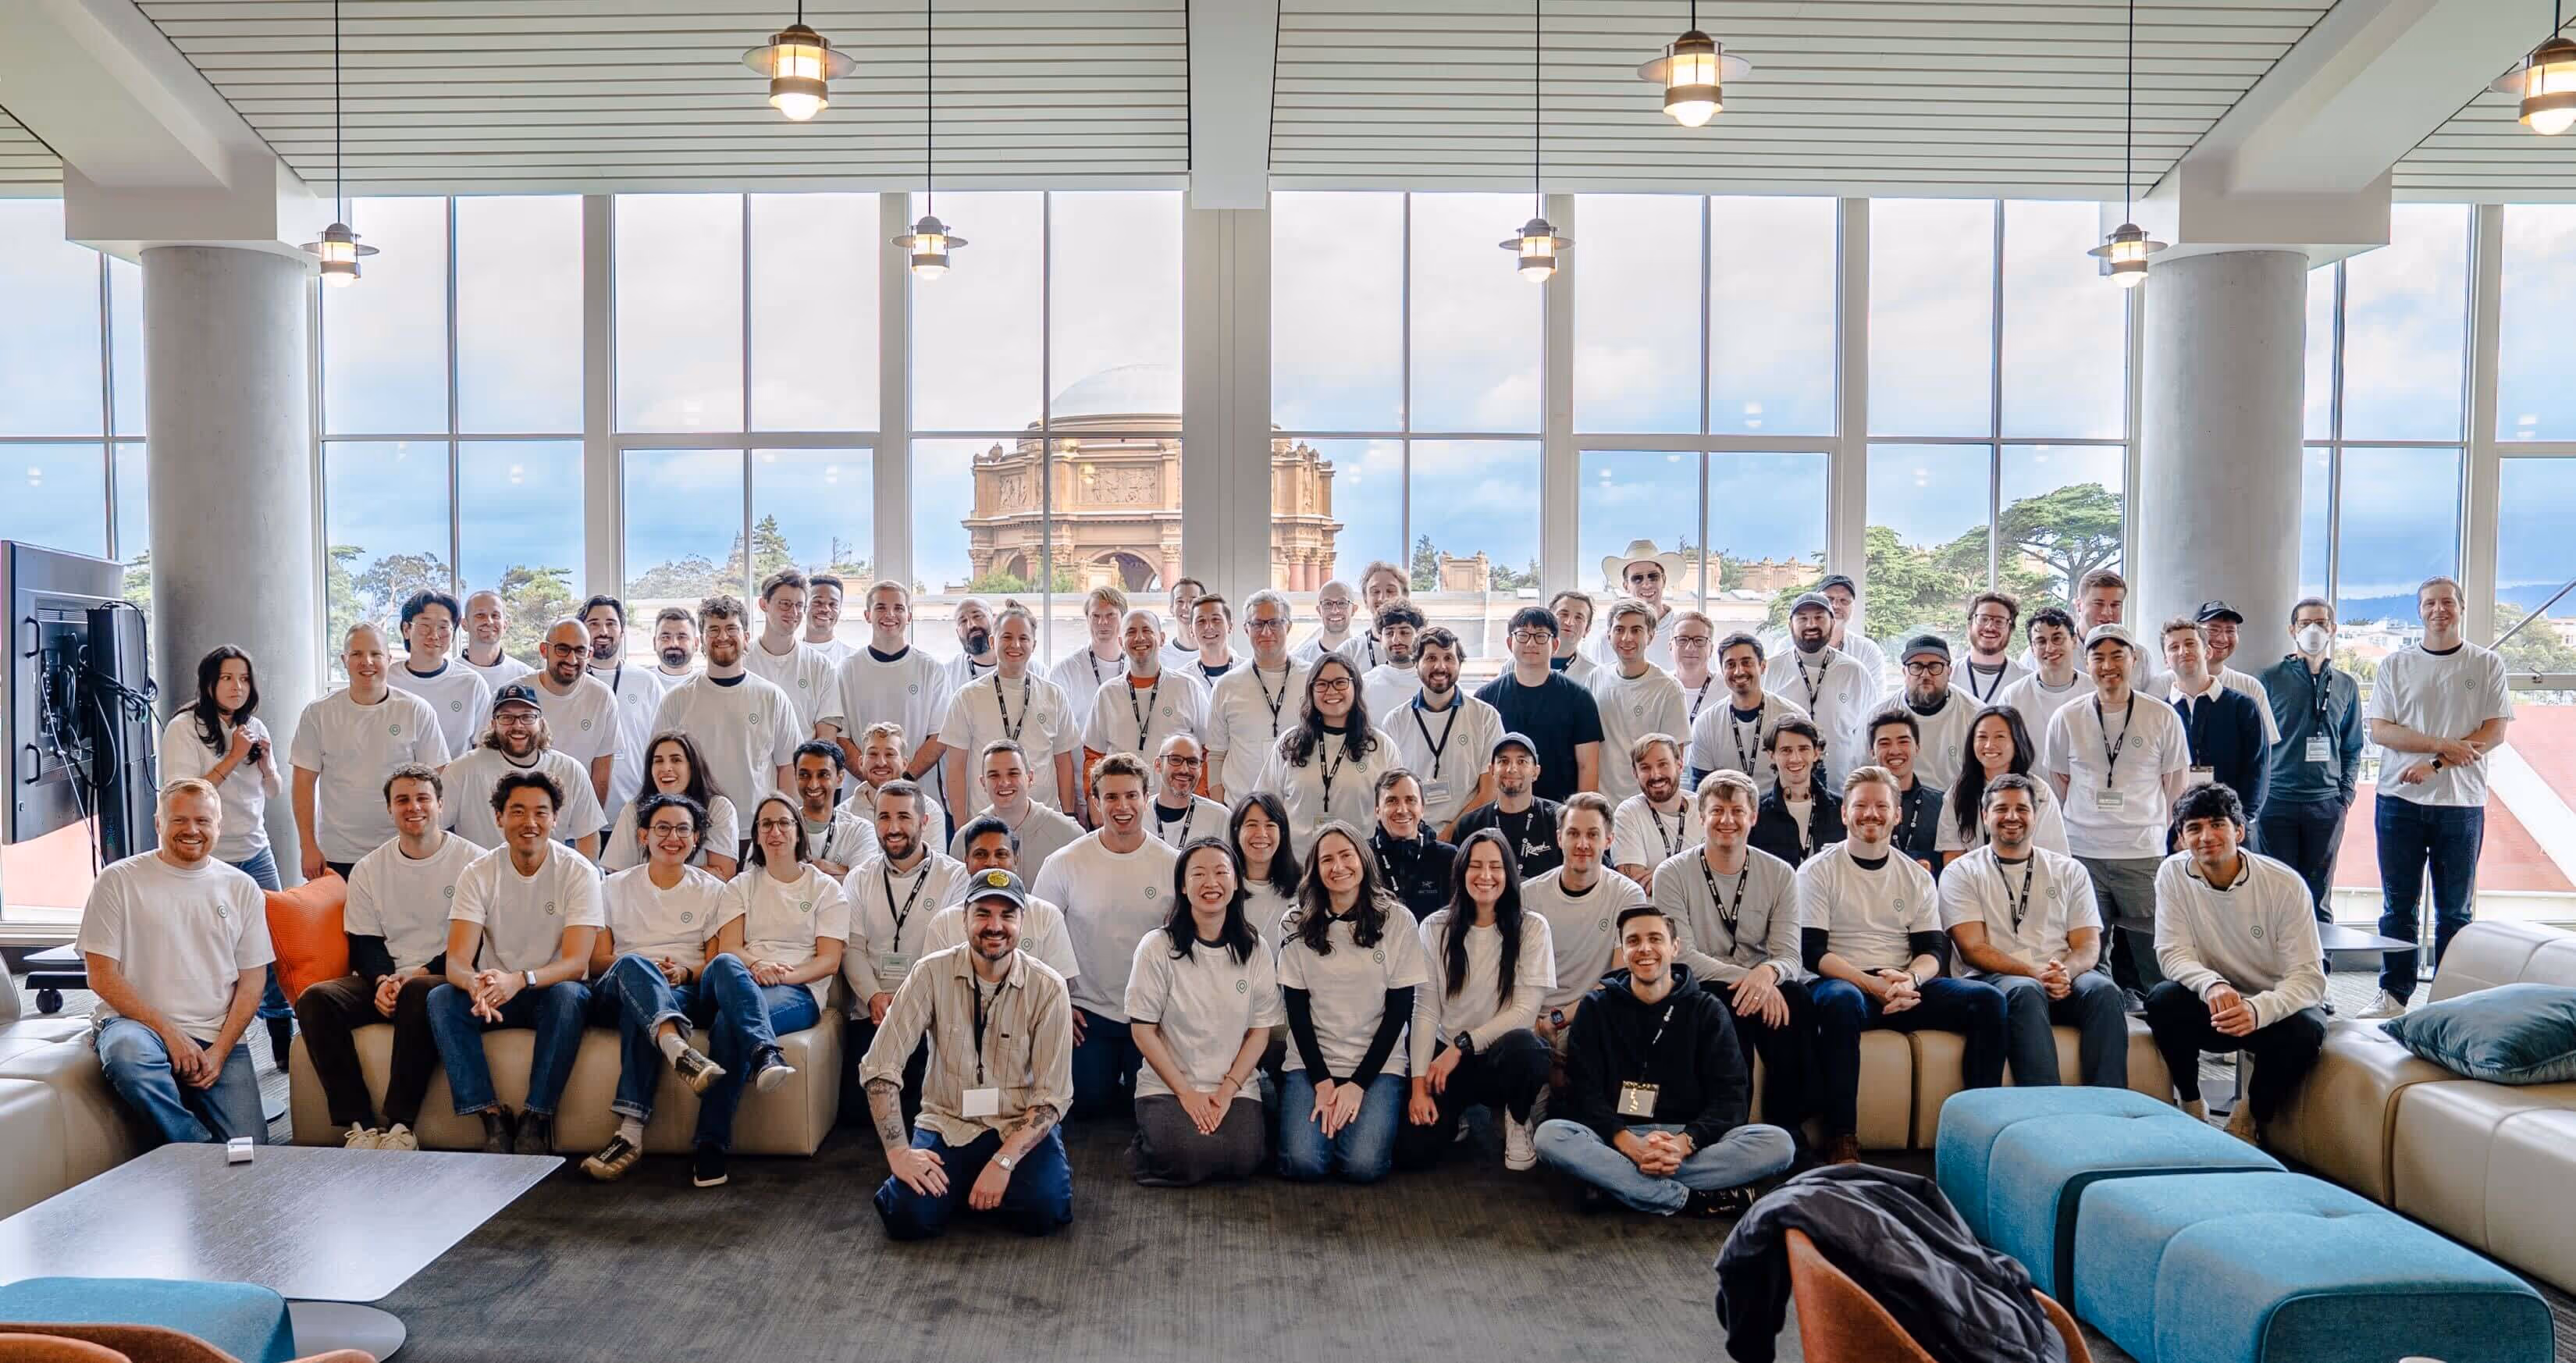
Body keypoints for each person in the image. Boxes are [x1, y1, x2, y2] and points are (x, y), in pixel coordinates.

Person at [1532, 902, 1797, 1216]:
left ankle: (1618, 1187)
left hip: (1689, 1141)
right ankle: (1693, 1200)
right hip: (1616, 1138)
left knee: (1779, 1144)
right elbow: (1584, 1093)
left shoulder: (1707, 1010)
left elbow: (1731, 1098)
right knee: (1550, 1136)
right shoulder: (1596, 1008)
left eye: (1655, 939)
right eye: (1633, 941)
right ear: (1624, 951)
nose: (1645, 949)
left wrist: (1683, 1144)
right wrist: (1630, 1145)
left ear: (1675, 948)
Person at [1802, 765, 2007, 1165]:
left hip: (1902, 983)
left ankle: (1979, 1131)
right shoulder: (1817, 871)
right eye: (1861, 806)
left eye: (1882, 806)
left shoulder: (1915, 875)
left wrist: (1910, 979)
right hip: (1844, 982)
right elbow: (1813, 952)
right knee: (1841, 1002)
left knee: (1987, 1001)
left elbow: (1933, 950)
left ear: (1897, 814)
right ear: (1844, 813)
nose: (1871, 814)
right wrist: (1871, 985)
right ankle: (1842, 1137)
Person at [865, 870, 1074, 1240]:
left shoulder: (1049, 987)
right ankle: (966, 1189)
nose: (995, 926)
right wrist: (899, 1154)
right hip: (949, 1121)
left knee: (1045, 1210)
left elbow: (1051, 1099)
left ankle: (969, 1188)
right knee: (907, 1216)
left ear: (1022, 922)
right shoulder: (930, 973)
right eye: (983, 914)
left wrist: (1003, 1162)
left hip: (1016, 1123)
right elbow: (881, 1068)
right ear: (964, 918)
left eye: (1007, 915)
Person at [78, 780, 273, 1147]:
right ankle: (194, 1146)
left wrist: (220, 1052)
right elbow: (101, 976)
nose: (192, 830)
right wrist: (172, 1035)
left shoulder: (242, 887)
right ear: (158, 823)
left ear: (219, 825)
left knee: (251, 1148)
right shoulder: (118, 880)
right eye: (179, 820)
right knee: (126, 1054)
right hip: (137, 1026)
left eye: (203, 821)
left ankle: (184, 1143)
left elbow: (252, 982)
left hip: (215, 1033)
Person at [2360, 575, 2514, 1019]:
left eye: (2447, 602)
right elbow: (2381, 730)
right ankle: (2393, 995)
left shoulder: (2486, 664)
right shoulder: (2396, 664)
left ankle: (2448, 1001)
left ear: (2461, 607)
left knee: (2456, 912)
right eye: (2429, 603)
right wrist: (2442, 745)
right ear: (2419, 610)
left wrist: (2437, 764)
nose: (2438, 610)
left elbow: (2494, 732)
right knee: (2398, 906)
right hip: (2399, 801)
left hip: (2461, 805)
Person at [296, 763, 471, 1151]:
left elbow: (474, 942)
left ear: (441, 804)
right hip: (388, 977)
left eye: (423, 798)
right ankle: (358, 1124)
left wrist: (419, 973)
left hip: (447, 977)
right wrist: (381, 982)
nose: (414, 807)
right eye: (402, 800)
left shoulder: (473, 863)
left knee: (417, 992)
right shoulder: (368, 868)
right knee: (316, 999)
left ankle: (401, 1126)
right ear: (390, 809)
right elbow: (364, 941)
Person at [425, 770, 601, 1155]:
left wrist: (520, 980)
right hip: (496, 994)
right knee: (441, 998)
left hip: (550, 992)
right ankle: (490, 1115)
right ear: (499, 817)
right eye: (518, 811)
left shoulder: (579, 872)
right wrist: (474, 983)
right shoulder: (478, 873)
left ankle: (536, 1117)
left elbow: (576, 963)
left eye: (541, 812)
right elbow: (457, 961)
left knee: (570, 995)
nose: (530, 822)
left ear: (555, 818)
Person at [2148, 783, 2328, 1144]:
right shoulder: (2172, 874)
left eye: (2218, 824)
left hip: (2271, 1009)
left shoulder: (2284, 884)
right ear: (2181, 839)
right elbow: (2172, 952)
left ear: (2240, 832)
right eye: (2194, 828)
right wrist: (2211, 984)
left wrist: (2258, 1010)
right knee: (2162, 1000)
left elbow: (2309, 978)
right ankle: (2191, 1103)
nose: (2206, 837)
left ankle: (2249, 1116)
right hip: (2214, 1004)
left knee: (2308, 1028)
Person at [578, 791, 731, 1182]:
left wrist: (683, 971)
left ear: (696, 838)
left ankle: (629, 1134)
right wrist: (645, 967)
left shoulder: (713, 890)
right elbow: (597, 961)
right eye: (662, 828)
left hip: (681, 991)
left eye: (683, 830)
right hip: (616, 986)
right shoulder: (612, 886)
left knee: (644, 1011)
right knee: (634, 965)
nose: (672, 838)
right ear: (643, 836)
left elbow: (714, 963)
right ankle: (678, 1049)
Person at [702, 793, 851, 1187]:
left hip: (797, 991)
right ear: (756, 835)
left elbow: (829, 961)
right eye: (766, 824)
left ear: (798, 832)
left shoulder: (825, 889)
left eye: (784, 822)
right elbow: (730, 948)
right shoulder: (740, 885)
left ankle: (710, 1145)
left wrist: (781, 976)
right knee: (724, 963)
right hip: (741, 978)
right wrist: (757, 967)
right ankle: (765, 1053)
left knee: (726, 1026)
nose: (775, 831)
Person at [1940, 776, 2125, 1089]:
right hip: (1995, 978)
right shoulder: (1962, 871)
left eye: (2022, 809)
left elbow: (2088, 945)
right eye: (2002, 809)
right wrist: (2034, 973)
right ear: (1985, 816)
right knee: (2025, 990)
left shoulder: (2069, 870)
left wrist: (2064, 972)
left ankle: (2110, 1101)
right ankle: (2046, 1106)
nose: (2012, 817)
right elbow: (1973, 949)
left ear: (2036, 816)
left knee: (2104, 991)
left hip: (2061, 976)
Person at [1655, 771, 1809, 1133]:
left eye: (1737, 811)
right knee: (1722, 1003)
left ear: (1753, 817)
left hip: (1763, 983)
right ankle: (1728, 1131)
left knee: (1798, 1000)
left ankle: (1788, 1131)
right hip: (1703, 983)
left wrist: (1767, 975)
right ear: (1701, 817)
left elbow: (1789, 955)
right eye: (1717, 811)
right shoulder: (1671, 873)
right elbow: (1682, 956)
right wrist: (1752, 979)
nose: (1727, 820)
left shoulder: (1781, 874)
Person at [2044, 624, 2193, 999]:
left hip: (2142, 852)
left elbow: (2175, 784)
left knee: (2153, 950)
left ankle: (2164, 1021)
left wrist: (2156, 827)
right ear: (2086, 662)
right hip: (2083, 853)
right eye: (2098, 658)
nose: (2107, 666)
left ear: (2134, 659)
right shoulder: (2067, 717)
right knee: (2088, 950)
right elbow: (2060, 780)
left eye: (2117, 656)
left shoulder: (2162, 716)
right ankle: (2102, 1015)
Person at [1276, 820, 1429, 1183]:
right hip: (1312, 1062)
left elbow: (1399, 1012)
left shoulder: (1398, 920)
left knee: (1363, 1166)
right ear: (1315, 869)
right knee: (1304, 1163)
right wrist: (1322, 1082)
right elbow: (1297, 1012)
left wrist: (1358, 1084)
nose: (1338, 866)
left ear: (1364, 860)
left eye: (1347, 856)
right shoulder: (1294, 922)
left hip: (1377, 1065)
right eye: (1327, 860)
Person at [1031, 753, 1181, 1116]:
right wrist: (1059, 1003)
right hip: (1089, 1012)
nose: (1122, 806)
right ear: (1095, 802)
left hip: (1153, 1013)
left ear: (1147, 799)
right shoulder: (1064, 862)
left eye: (1131, 796)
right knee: (1087, 1103)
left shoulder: (1173, 864)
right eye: (1111, 797)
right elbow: (1036, 937)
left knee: (1146, 1105)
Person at [1126, 840, 1281, 1186]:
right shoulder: (1157, 947)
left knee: (1244, 1158)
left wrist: (1227, 1092)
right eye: (1198, 874)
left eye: (1221, 872)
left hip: (1233, 1084)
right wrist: (1186, 1093)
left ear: (1236, 882)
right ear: (1183, 886)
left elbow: (1260, 1032)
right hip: (1169, 1084)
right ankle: (1146, 1144)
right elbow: (1142, 1030)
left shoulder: (1255, 948)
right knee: (1189, 1155)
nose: (1211, 883)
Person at [1398, 829, 1555, 1172]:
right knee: (1412, 1152)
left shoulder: (1532, 928)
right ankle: (1457, 1114)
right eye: (1475, 866)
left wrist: (1462, 1046)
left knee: (1529, 1050)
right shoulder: (1434, 928)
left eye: (1495, 867)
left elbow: (1525, 1012)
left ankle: (1517, 1116)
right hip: (1447, 1062)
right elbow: (1425, 1010)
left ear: (1509, 874)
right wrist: (1419, 1087)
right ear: (1461, 872)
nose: (1485, 876)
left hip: (1500, 1055)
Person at [162, 646, 290, 1059]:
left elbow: (274, 790)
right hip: (206, 856)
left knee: (273, 942)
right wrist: (234, 756)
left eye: (244, 679)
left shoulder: (255, 726)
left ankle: (281, 1033)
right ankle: (209, 1033)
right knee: (210, 946)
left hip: (255, 848)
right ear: (208, 684)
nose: (237, 687)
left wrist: (266, 764)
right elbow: (183, 797)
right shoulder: (184, 728)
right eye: (227, 678)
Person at [293, 623, 452, 881]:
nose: (367, 662)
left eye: (376, 654)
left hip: (403, 846)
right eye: (356, 654)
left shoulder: (416, 710)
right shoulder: (318, 713)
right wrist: (307, 845)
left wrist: (430, 840)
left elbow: (437, 780)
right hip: (337, 851)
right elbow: (303, 782)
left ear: (389, 659)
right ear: (344, 660)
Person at [649, 595, 799, 846]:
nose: (722, 636)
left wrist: (784, 827)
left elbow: (788, 768)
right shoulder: (676, 700)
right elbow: (659, 771)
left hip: (757, 832)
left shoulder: (772, 697)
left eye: (731, 628)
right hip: (695, 832)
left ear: (746, 637)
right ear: (702, 641)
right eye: (713, 630)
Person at [2255, 597, 2364, 938]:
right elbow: (2255, 743)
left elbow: (2352, 745)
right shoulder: (2269, 679)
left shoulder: (2345, 684)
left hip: (2326, 804)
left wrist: (2344, 796)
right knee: (2277, 894)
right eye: (2305, 624)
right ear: (2292, 630)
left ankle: (2320, 967)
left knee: (2319, 897)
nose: (2313, 630)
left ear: (2333, 629)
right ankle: (2276, 968)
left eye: (2321, 623)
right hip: (2277, 801)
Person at [1523, 792, 1646, 1083]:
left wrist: (1559, 1020)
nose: (1582, 844)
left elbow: (1618, 981)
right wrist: (1538, 1025)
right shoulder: (1529, 895)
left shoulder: (1628, 895)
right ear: (1559, 838)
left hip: (1593, 1015)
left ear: (1609, 840)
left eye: (1593, 834)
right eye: (1573, 833)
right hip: (1533, 1022)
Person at [844, 780, 970, 1027]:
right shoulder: (859, 878)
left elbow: (954, 954)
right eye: (884, 817)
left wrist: (913, 1002)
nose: (893, 828)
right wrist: (874, 996)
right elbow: (852, 948)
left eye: (903, 817)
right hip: (871, 1013)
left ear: (924, 822)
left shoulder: (956, 878)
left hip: (932, 1016)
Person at [940, 601, 1080, 817]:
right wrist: (962, 828)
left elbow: (1063, 763)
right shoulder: (967, 697)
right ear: (993, 641)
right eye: (1007, 637)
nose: (1015, 645)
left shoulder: (1054, 695)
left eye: (1023, 638)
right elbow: (956, 768)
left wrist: (1068, 816)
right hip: (986, 822)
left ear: (1033, 645)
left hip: (1043, 820)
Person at [833, 579, 955, 817]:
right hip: (860, 801)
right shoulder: (846, 670)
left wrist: (904, 779)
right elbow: (840, 736)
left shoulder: (931, 669)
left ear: (909, 615)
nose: (890, 614)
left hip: (917, 797)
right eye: (880, 607)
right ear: (867, 615)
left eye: (898, 608)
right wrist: (873, 779)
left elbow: (940, 736)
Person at [439, 682, 607, 856]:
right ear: (493, 724)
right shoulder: (462, 769)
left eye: (527, 717)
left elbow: (588, 835)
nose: (518, 726)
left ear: (541, 723)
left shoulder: (571, 770)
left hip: (550, 871)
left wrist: (585, 872)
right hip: (481, 872)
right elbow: (434, 827)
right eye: (506, 717)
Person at [1259, 653, 1402, 856]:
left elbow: (1396, 808)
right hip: (1299, 862)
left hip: (1358, 863)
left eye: (1340, 682)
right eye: (1322, 684)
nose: (1331, 691)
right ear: (1311, 691)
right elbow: (1266, 806)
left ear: (1356, 686)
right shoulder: (1290, 743)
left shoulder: (1381, 746)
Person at [923, 815, 1082, 984]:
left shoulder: (1046, 916)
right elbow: (933, 985)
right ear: (967, 862)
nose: (991, 862)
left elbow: (1060, 986)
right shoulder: (944, 922)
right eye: (981, 854)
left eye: (1001, 854)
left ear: (1016, 860)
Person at [1477, 605, 1606, 802]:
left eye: (1540, 636)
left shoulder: (1580, 698)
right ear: (1510, 643)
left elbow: (1587, 767)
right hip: (1501, 809)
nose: (1531, 643)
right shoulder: (1486, 698)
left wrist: (1581, 815)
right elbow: (1481, 766)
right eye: (1522, 635)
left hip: (1561, 811)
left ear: (1555, 645)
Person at [1383, 627, 1501, 840]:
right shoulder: (1395, 721)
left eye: (1448, 658)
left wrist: (1448, 835)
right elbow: (1390, 792)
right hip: (1411, 837)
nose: (1440, 666)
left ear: (1459, 664)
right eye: (1431, 658)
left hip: (1468, 836)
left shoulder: (1485, 717)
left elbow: (1490, 792)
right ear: (1416, 663)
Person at [2163, 616, 2271, 838]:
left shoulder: (2243, 706)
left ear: (2207, 651)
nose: (2183, 651)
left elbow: (2257, 769)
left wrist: (2240, 823)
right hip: (2176, 833)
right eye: (2174, 647)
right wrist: (2173, 831)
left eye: (2190, 643)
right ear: (2166, 660)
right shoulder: (2160, 713)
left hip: (2232, 830)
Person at [1082, 608, 1208, 789]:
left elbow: (1208, 749)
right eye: (1131, 632)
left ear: (1162, 639)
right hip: (1123, 799)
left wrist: (1200, 795)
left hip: (1178, 798)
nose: (1139, 638)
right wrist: (1093, 799)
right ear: (1121, 642)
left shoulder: (1188, 688)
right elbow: (1093, 755)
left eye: (1147, 630)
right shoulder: (1107, 694)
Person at [1205, 589, 1311, 803]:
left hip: (1298, 807)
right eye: (1257, 624)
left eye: (1275, 623)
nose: (1266, 631)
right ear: (1246, 629)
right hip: (1241, 807)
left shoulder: (1312, 680)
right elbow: (1216, 754)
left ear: (1288, 626)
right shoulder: (1227, 685)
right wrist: (1220, 806)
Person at [1585, 600, 1690, 806]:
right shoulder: (1596, 677)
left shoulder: (1669, 688)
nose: (1627, 638)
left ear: (1650, 636)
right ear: (1609, 635)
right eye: (1619, 630)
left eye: (1636, 630)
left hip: (1646, 805)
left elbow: (1674, 761)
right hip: (1601, 802)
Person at [1765, 593, 1875, 788]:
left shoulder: (1854, 672)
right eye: (1803, 618)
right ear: (1790, 625)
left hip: (1841, 789)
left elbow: (1868, 735)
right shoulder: (1771, 669)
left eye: (1819, 617)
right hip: (1783, 789)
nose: (1811, 625)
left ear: (1832, 622)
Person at [600, 731, 742, 880]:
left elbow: (722, 875)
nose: (666, 768)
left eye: (676, 760)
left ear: (693, 766)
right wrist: (698, 873)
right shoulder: (633, 809)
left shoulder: (719, 808)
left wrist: (655, 875)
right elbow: (619, 879)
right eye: (658, 761)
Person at [1939, 706, 2069, 860]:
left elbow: (2053, 857)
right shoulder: (1959, 791)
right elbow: (1953, 854)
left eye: (1999, 737)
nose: (1989, 745)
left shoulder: (2038, 791)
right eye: (1982, 737)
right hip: (1974, 874)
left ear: (2017, 742)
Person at [584, 595, 671, 822]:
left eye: (611, 623)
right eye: (594, 624)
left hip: (637, 813)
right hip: (580, 816)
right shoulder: (572, 682)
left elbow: (665, 744)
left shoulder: (646, 681)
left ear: (622, 631)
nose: (603, 631)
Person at [1686, 632, 1807, 795]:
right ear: (1722, 671)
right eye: (1730, 665)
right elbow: (1701, 788)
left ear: (1763, 666)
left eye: (1746, 663)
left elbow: (1811, 778)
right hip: (1728, 807)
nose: (1739, 671)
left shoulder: (1793, 717)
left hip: (1781, 806)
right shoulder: (1706, 724)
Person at [741, 570, 847, 748]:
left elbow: (827, 738)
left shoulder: (821, 666)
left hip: (803, 764)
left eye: (799, 605)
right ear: (764, 604)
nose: (794, 612)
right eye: (785, 604)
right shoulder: (741, 661)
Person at [948, 740, 1082, 874]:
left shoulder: (1068, 835)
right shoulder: (963, 840)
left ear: (1030, 778)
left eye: (1013, 773)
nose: (1004, 782)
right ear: (983, 783)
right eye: (994, 775)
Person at [387, 589, 493, 757]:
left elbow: (483, 747)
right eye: (425, 626)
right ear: (406, 629)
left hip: (455, 774)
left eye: (443, 627)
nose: (434, 635)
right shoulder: (387, 680)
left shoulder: (471, 683)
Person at [529, 617, 619, 809]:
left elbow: (602, 774)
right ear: (544, 650)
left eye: (580, 651)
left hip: (577, 817)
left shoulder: (602, 697)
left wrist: (590, 822)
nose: (571, 659)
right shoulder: (517, 693)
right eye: (562, 649)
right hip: (523, 816)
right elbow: (491, 762)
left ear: (590, 655)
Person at [1451, 734, 1566, 879]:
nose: (1512, 769)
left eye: (1522, 761)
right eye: (1503, 761)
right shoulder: (1468, 825)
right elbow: (1458, 882)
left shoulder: (1559, 818)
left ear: (1535, 772)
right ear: (1492, 770)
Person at [1994, 607, 2089, 767]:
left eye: (2057, 638)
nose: (2050, 648)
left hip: (2082, 782)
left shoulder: (2093, 691)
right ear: (2032, 649)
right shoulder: (2013, 695)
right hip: (2027, 782)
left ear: (2073, 641)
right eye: (2041, 641)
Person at [1747, 718, 1842, 868]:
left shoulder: (1842, 809)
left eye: (1803, 749)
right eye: (1786, 750)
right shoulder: (1754, 813)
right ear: (1772, 755)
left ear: (1816, 753)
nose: (1795, 758)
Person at [1611, 735, 1700, 890]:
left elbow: (1723, 874)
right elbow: (1634, 884)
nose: (1655, 775)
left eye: (1663, 764)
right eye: (1645, 768)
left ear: (1680, 766)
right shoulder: (1628, 813)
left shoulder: (1705, 808)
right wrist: (1694, 878)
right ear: (1635, 773)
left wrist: (1661, 878)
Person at [1891, 635, 1979, 788]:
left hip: (1956, 801)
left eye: (1934, 666)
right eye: (1916, 666)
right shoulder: (1880, 714)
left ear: (1949, 672)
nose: (1925, 675)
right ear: (1904, 672)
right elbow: (1861, 770)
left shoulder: (1975, 715)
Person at [1866, 710, 1946, 877]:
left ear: (1917, 748)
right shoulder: (1858, 806)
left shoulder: (1942, 805)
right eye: (1884, 743)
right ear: (1872, 752)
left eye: (1903, 742)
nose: (1895, 751)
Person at [1369, 769, 1456, 918]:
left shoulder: (1449, 857)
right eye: (1392, 801)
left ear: (1422, 809)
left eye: (1410, 800)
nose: (1402, 810)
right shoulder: (1362, 857)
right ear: (1377, 811)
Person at [1049, 585, 1130, 742]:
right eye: (1095, 616)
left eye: (1111, 615)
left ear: (1124, 619)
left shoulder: (1135, 667)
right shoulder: (1064, 671)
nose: (1103, 622)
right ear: (1087, 619)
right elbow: (1055, 733)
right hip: (1081, 757)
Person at [2194, 601, 2280, 745]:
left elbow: (2264, 748)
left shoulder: (2250, 687)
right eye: (2213, 630)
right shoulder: (2168, 684)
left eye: (2230, 631)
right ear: (2194, 634)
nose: (2222, 638)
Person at [788, 740, 878, 877]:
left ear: (840, 778)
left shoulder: (861, 830)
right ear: (795, 776)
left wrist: (802, 872)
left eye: (823, 775)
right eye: (804, 775)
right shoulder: (777, 827)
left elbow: (862, 884)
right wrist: (845, 871)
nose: (813, 785)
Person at [2072, 569, 2169, 695]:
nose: (2107, 613)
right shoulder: (2061, 655)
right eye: (2099, 604)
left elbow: (2148, 703)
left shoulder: (2140, 657)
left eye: (2115, 605)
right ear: (2079, 605)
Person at [848, 722, 948, 838]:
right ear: (861, 763)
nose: (881, 763)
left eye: (890, 754)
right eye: (873, 754)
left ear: (905, 764)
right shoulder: (844, 813)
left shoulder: (930, 810)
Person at [1589, 544, 1681, 670]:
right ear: (1626, 585)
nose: (1647, 584)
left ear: (1663, 580)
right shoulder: (1605, 642)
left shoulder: (1684, 635)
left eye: (1653, 577)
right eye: (1637, 579)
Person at [1229, 792, 1303, 931]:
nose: (1262, 834)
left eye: (1270, 825)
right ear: (1237, 832)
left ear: (1282, 832)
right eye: (1252, 825)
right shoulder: (1223, 885)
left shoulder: (1303, 886)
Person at [1147, 734, 1228, 849]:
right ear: (1158, 765)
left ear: (1201, 769)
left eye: (1193, 762)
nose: (1184, 769)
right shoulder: (1139, 814)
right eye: (1175, 760)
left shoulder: (1220, 818)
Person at [1813, 574, 1889, 696]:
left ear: (1853, 607)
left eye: (1844, 601)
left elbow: (1877, 700)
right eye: (1829, 599)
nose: (1836, 606)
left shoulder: (1867, 651)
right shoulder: (1789, 646)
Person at [1959, 592, 2028, 705]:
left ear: (2010, 630)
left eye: (1999, 621)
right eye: (1983, 619)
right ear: (1969, 626)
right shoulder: (1946, 676)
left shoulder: (2026, 680)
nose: (1990, 627)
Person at [1358, 601, 1426, 717]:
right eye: (1389, 633)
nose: (1396, 640)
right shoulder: (1365, 684)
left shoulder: (1432, 681)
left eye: (1404, 632)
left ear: (1419, 636)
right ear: (1381, 640)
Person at [459, 589, 534, 690]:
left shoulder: (526, 677)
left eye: (495, 616)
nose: (489, 621)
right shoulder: (449, 676)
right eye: (480, 615)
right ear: (464, 624)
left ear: (505, 626)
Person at [1670, 610, 1721, 733]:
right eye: (1682, 640)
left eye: (1699, 640)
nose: (1690, 648)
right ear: (1670, 647)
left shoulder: (1730, 691)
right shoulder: (1657, 687)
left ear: (1711, 649)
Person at [1354, 561, 1409, 671]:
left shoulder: (1423, 648)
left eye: (1390, 590)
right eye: (1375, 591)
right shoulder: (1350, 651)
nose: (1383, 598)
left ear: (1405, 596)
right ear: (1365, 600)